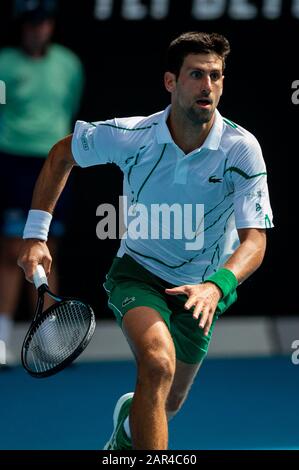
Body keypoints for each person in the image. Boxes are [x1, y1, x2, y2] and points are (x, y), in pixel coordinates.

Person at [17, 31, 273, 449]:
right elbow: (62, 154)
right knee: (156, 365)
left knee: (167, 403)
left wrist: (215, 286)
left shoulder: (241, 150)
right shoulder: (133, 135)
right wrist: (35, 236)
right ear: (170, 82)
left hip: (203, 289)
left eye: (216, 76)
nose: (207, 86)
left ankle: (126, 432)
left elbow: (255, 242)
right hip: (138, 273)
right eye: (195, 75)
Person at [0, 0, 84, 362]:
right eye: (32, 24)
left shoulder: (68, 64)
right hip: (14, 163)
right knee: (10, 251)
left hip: (55, 163)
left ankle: (50, 340)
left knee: (49, 251)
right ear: (22, 27)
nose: (38, 30)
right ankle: (2, 339)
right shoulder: (4, 64)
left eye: (44, 23)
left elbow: (69, 106)